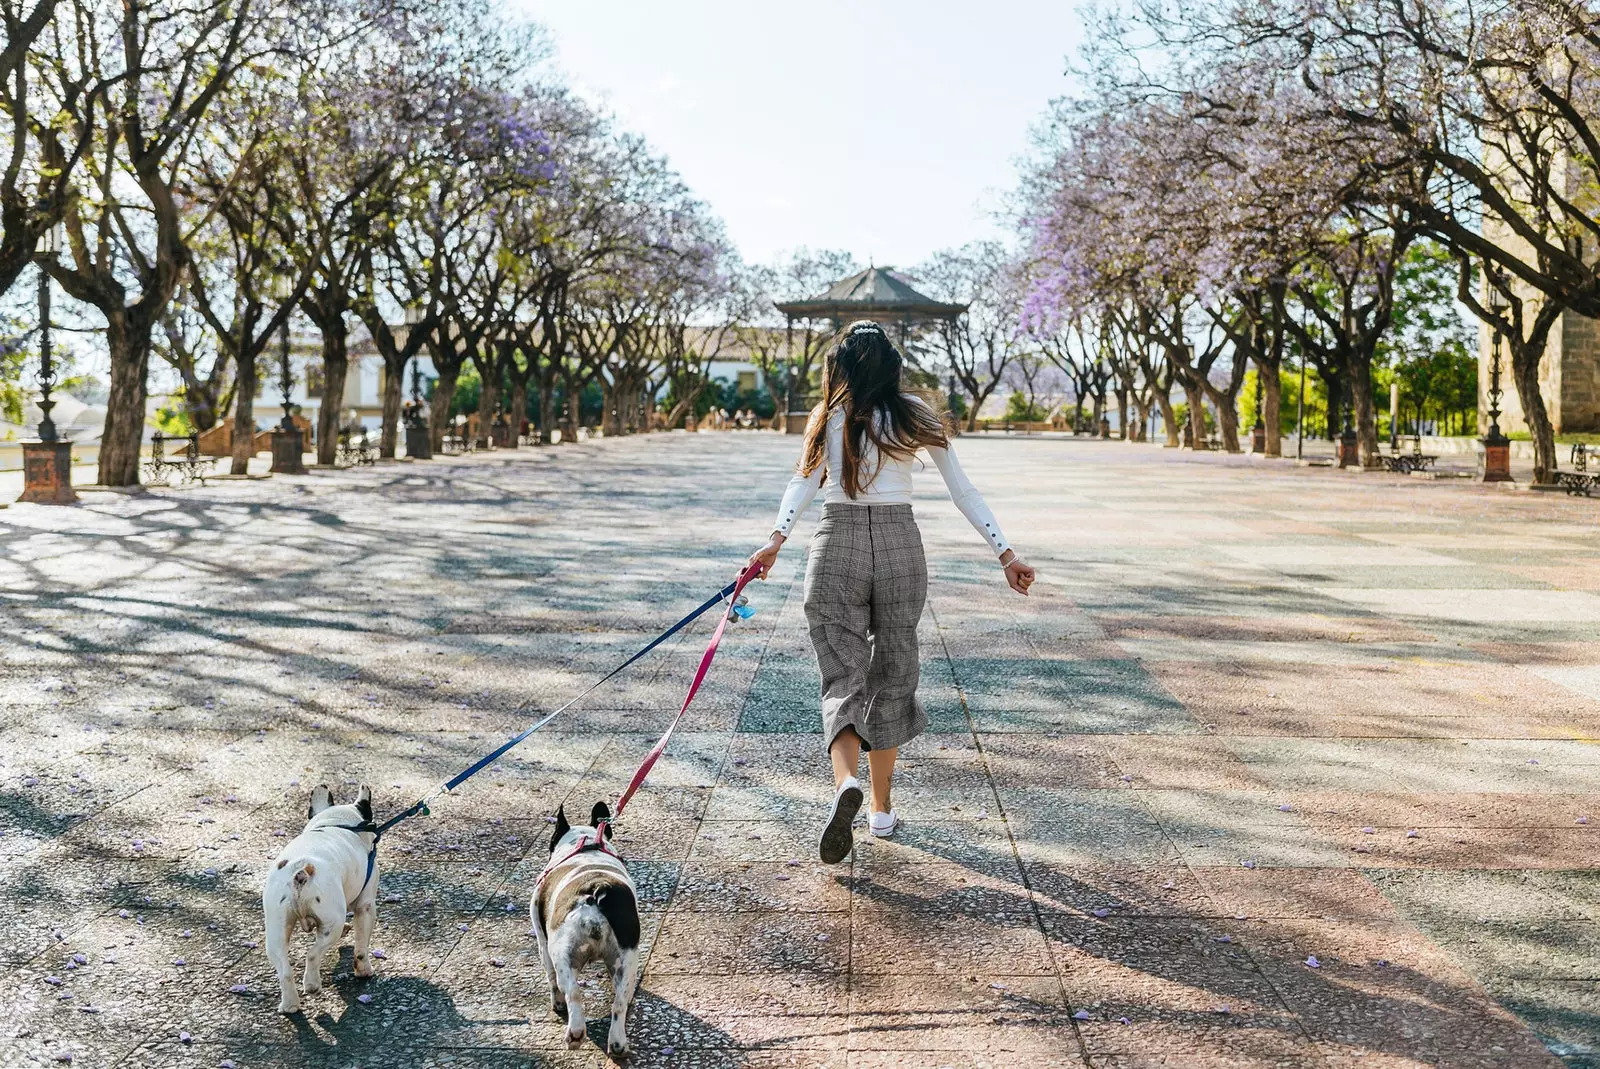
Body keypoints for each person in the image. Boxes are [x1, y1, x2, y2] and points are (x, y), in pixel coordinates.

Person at [748, 320, 1035, 864]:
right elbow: (962, 490)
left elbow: (802, 485)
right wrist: (1005, 553)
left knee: (842, 670)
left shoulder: (827, 415)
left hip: (837, 542)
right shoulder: (914, 413)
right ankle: (880, 810)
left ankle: (844, 784)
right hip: (902, 544)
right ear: (892, 366)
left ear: (843, 367)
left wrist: (774, 542)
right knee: (894, 669)